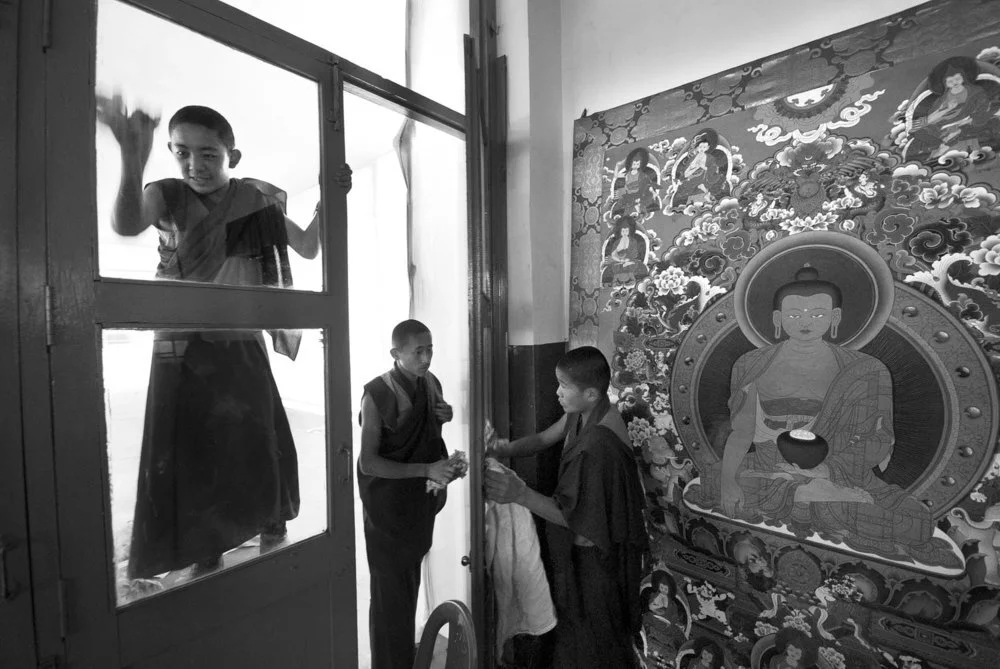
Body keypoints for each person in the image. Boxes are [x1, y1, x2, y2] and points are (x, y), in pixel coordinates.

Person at [96, 94, 352, 580]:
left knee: (255, 438)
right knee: (193, 448)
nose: (194, 165)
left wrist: (329, 199)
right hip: (181, 342)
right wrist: (132, 157)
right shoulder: (167, 195)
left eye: (208, 154)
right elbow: (127, 224)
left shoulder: (254, 200)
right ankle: (205, 544)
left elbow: (309, 246)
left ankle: (269, 519)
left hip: (238, 341)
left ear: (232, 157)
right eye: (181, 151)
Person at [692, 266, 955, 565]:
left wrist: (827, 472)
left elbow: (878, 438)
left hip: (838, 474)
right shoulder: (751, 364)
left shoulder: (865, 369)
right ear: (777, 319)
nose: (805, 321)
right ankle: (807, 495)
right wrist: (728, 481)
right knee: (711, 480)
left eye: (817, 314)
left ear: (835, 318)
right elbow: (741, 432)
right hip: (767, 466)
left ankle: (814, 494)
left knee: (914, 519)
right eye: (793, 315)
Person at [485, 346, 649, 668]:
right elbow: (547, 437)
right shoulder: (586, 411)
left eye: (563, 386)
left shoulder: (599, 446)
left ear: (590, 393)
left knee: (599, 637)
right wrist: (503, 448)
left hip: (597, 559)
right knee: (579, 634)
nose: (557, 392)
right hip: (581, 551)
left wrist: (519, 493)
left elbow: (574, 518)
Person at [357, 319, 462, 669]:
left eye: (430, 349)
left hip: (418, 507)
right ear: (395, 353)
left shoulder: (430, 382)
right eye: (418, 351)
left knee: (407, 591)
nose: (426, 357)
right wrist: (426, 470)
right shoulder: (377, 394)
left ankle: (403, 660)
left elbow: (425, 435)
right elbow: (369, 463)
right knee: (389, 601)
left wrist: (444, 418)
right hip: (387, 511)